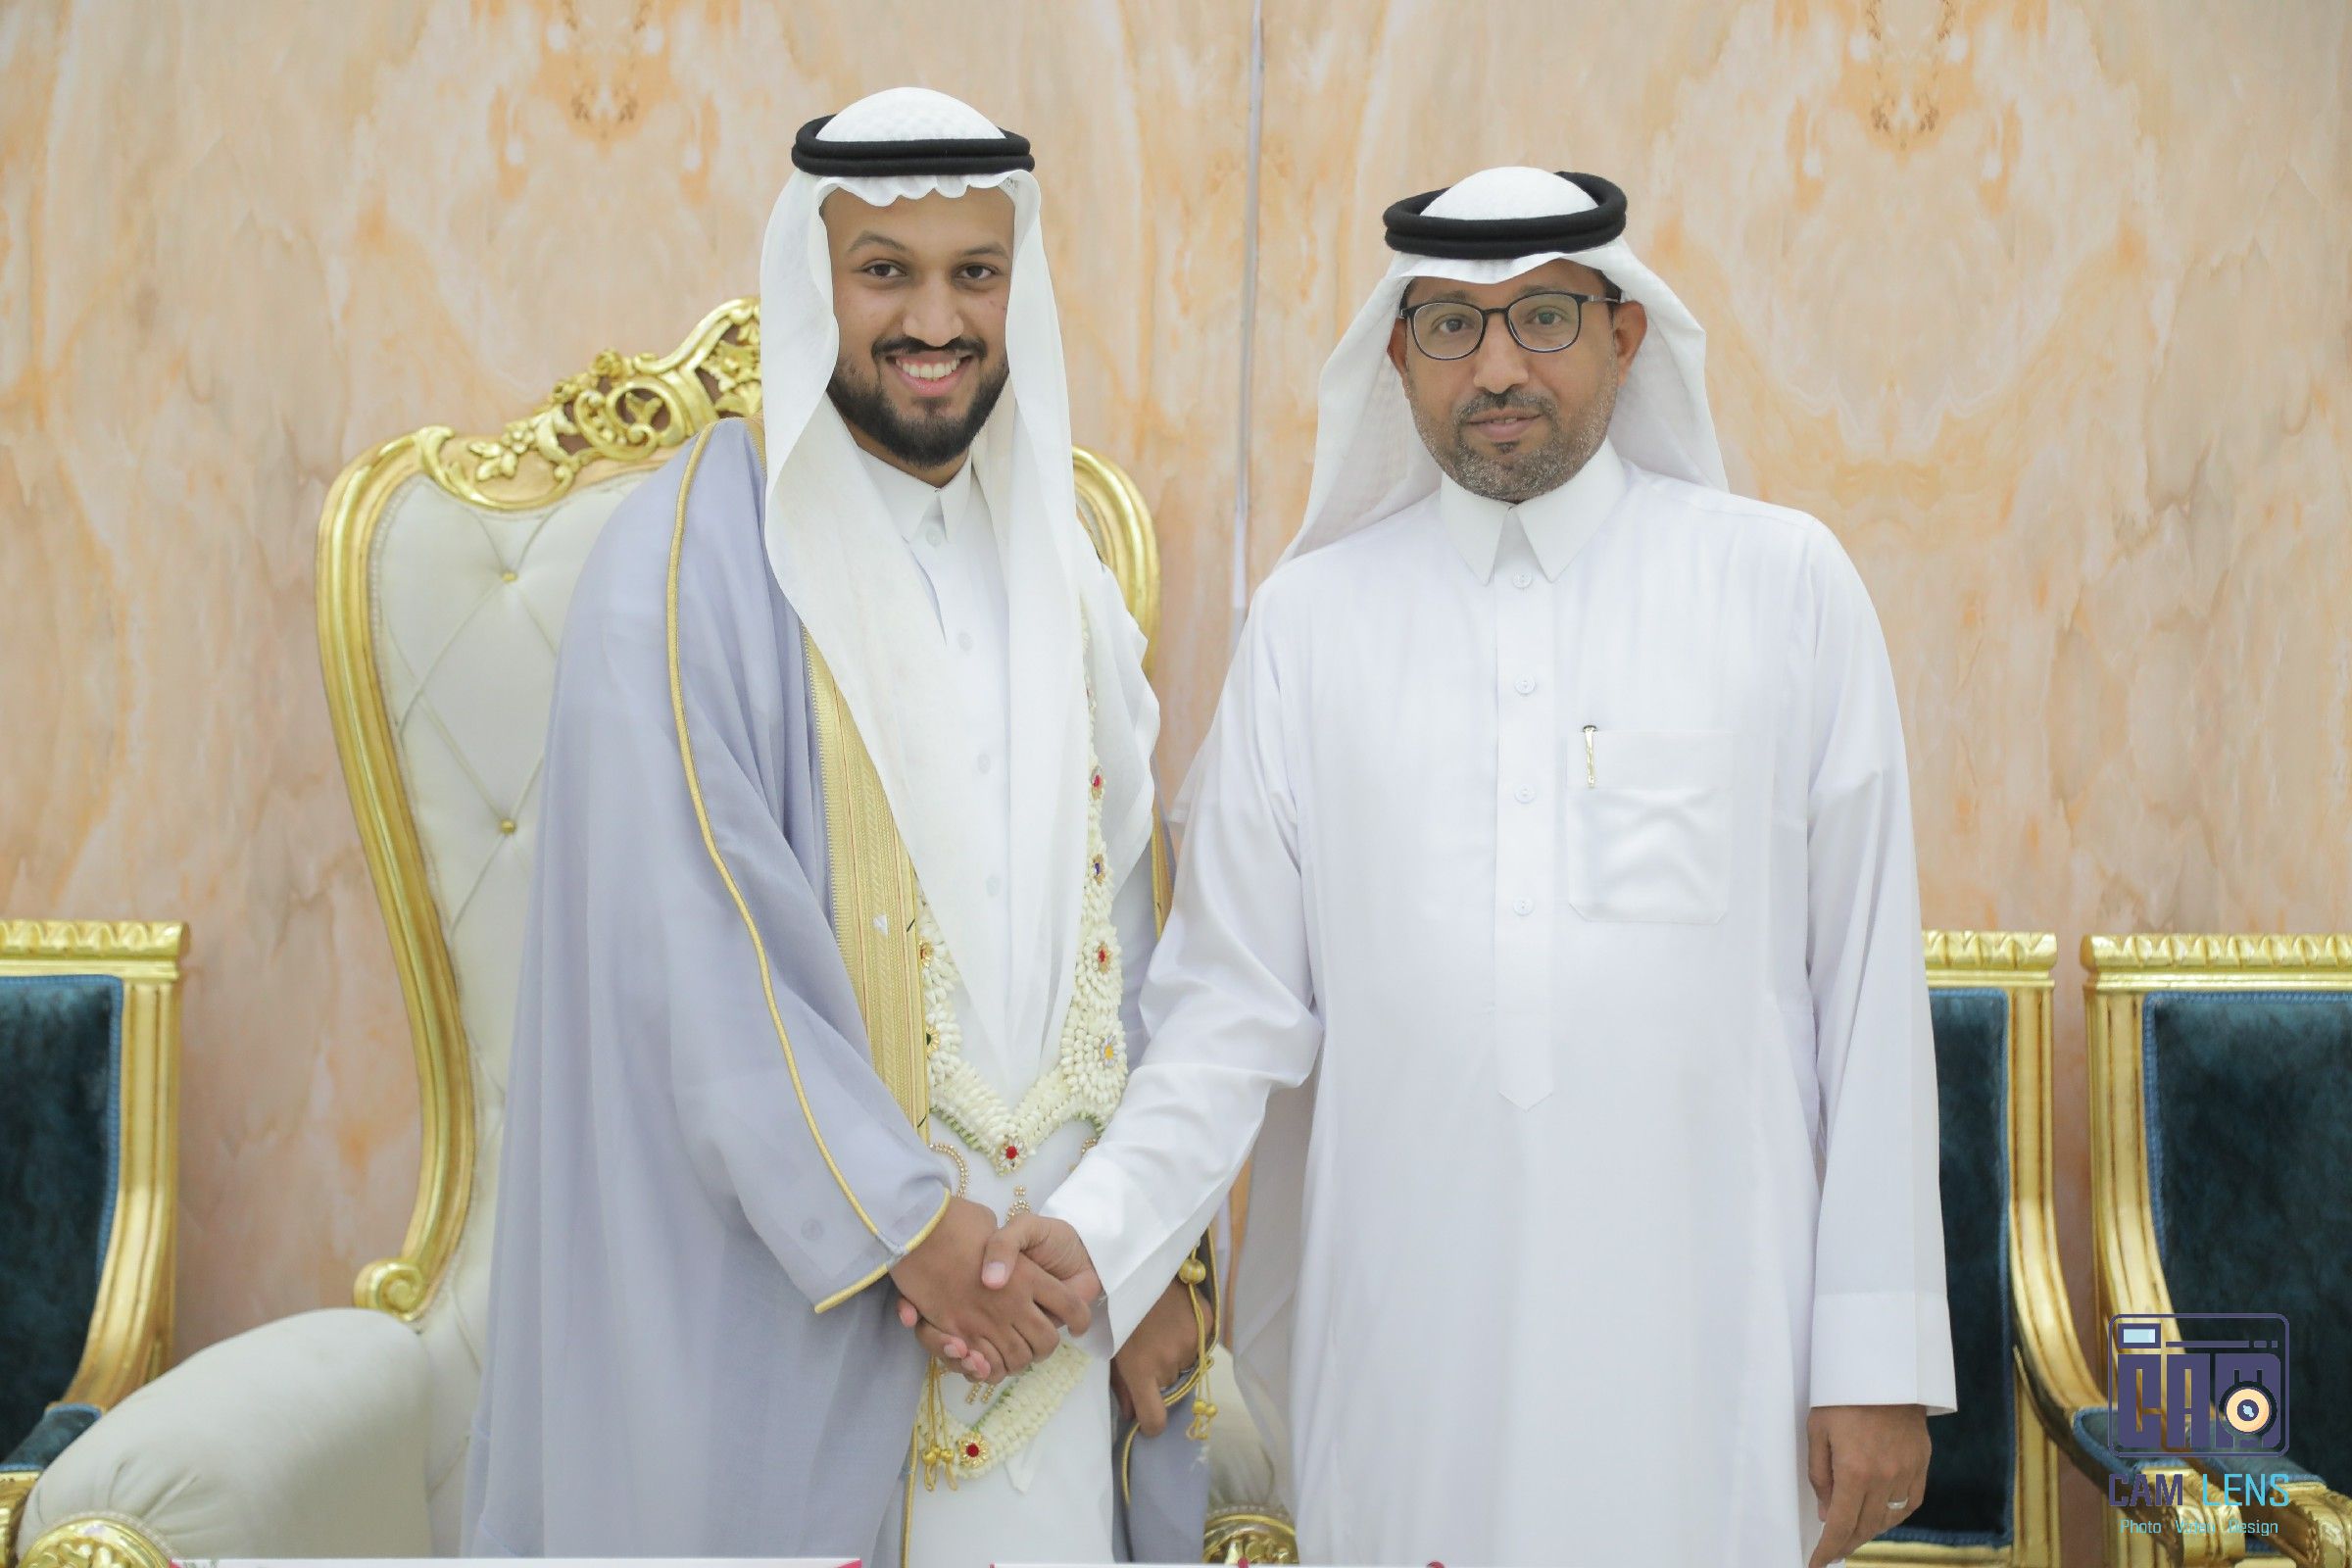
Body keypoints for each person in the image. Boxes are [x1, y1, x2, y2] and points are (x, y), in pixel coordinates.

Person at [983, 166, 1956, 1565]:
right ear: (1398, 356)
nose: (1498, 366)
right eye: (1451, 324)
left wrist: (1875, 1361)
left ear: (1626, 335)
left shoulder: (1783, 589)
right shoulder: (1310, 627)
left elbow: (1867, 998)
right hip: (1409, 1348)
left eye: (1544, 318)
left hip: (1712, 1354)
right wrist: (1100, 1233)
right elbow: (1226, 1013)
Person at [463, 87, 1210, 1564]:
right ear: (814, 285)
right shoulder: (688, 563)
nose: (934, 320)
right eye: (886, 271)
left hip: (1063, 1324)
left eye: (974, 273)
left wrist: (1144, 1255)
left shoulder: (1061, 563)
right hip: (810, 1317)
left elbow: (1132, 933)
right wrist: (911, 1233)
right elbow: (695, 960)